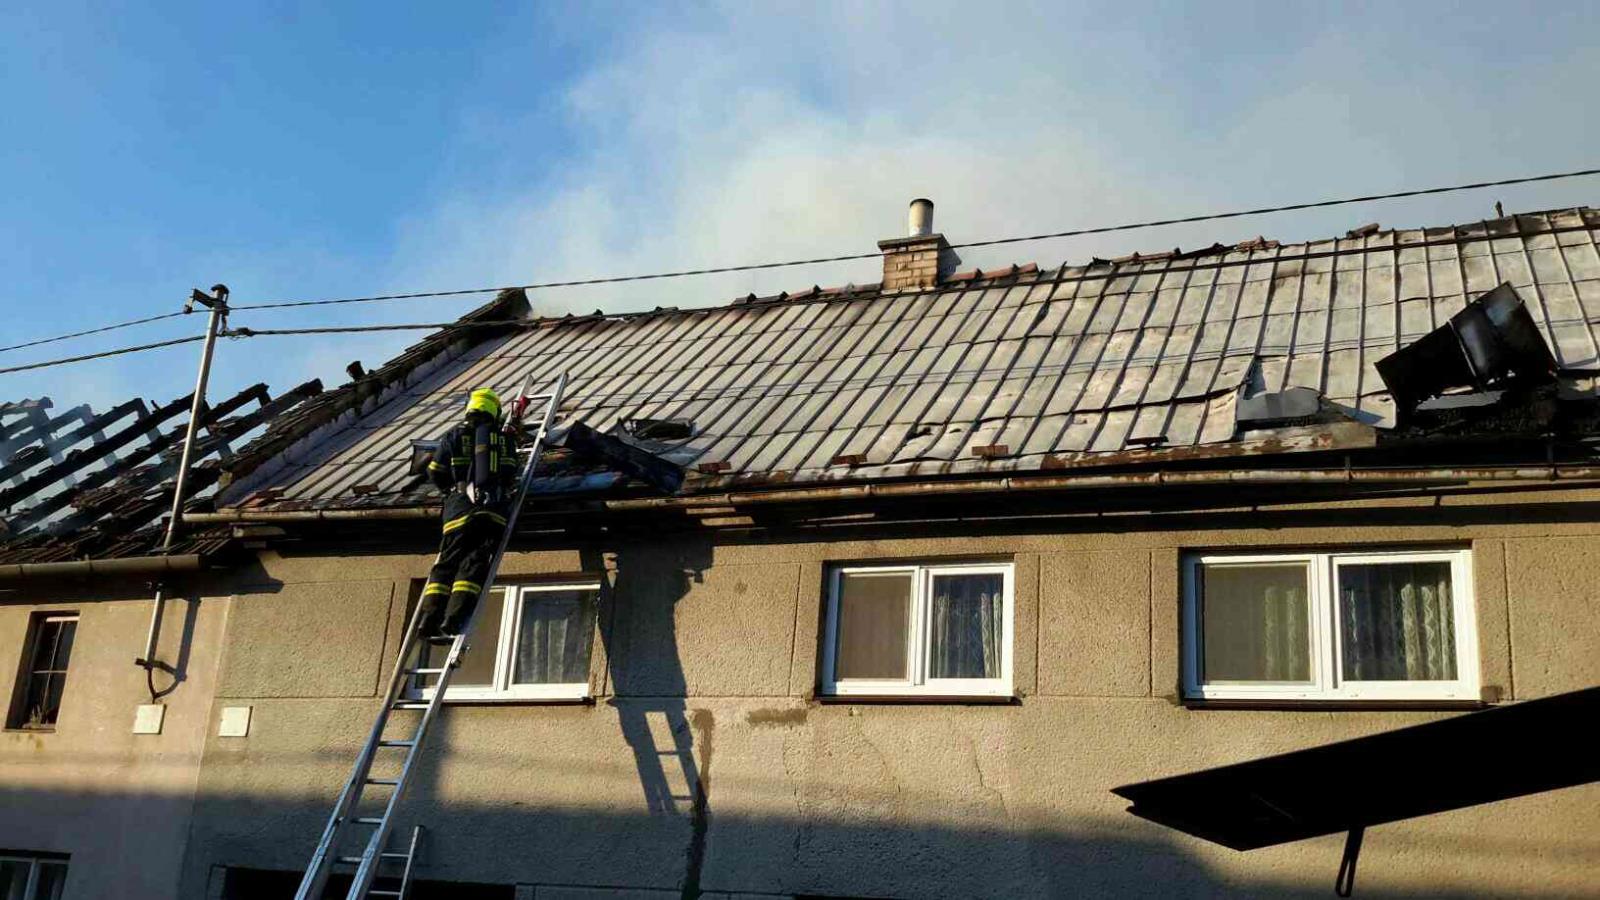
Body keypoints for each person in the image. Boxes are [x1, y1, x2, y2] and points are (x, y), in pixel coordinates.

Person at [418, 387, 520, 637]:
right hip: (490, 511)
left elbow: (434, 470)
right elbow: (509, 473)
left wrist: (451, 492)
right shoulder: (501, 438)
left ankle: (428, 619)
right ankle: (453, 620)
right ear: (494, 411)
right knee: (472, 564)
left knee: (446, 565)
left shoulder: (453, 436)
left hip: (457, 511)